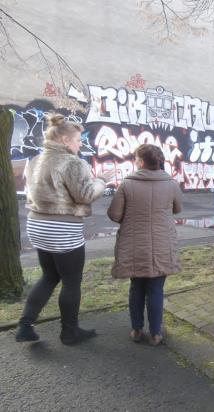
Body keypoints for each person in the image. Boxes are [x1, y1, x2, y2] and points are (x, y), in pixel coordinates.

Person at [15, 114, 113, 345]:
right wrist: (101, 180)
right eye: (78, 140)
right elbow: (86, 195)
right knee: (71, 281)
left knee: (50, 275)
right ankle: (70, 332)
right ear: (65, 139)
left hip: (36, 223)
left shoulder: (36, 159)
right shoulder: (72, 163)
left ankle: (25, 325)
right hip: (62, 227)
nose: (80, 144)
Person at [107, 144, 183, 346]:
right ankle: (156, 333)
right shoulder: (171, 184)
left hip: (134, 245)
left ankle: (137, 330)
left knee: (137, 288)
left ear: (140, 162)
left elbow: (114, 214)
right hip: (162, 244)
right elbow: (177, 208)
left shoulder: (127, 184)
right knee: (156, 289)